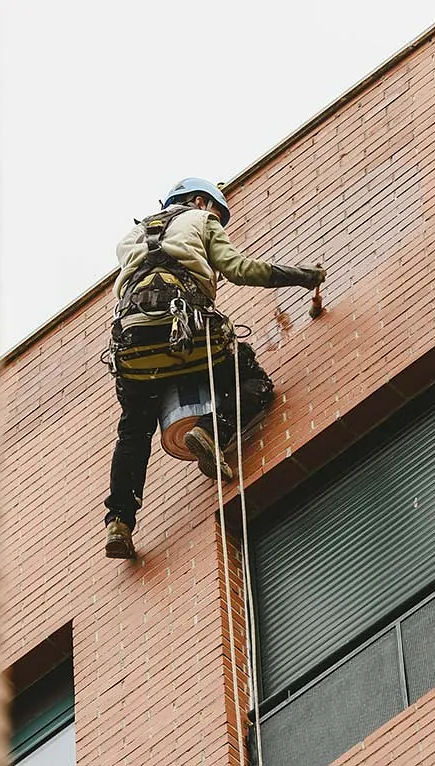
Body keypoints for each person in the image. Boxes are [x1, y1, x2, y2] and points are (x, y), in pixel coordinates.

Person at [103, 178, 325, 558]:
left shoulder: (131, 236)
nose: (218, 224)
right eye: (218, 216)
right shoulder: (200, 221)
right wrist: (301, 277)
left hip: (134, 346)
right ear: (201, 201)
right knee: (254, 381)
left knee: (134, 432)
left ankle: (120, 523)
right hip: (191, 334)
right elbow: (238, 268)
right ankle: (210, 430)